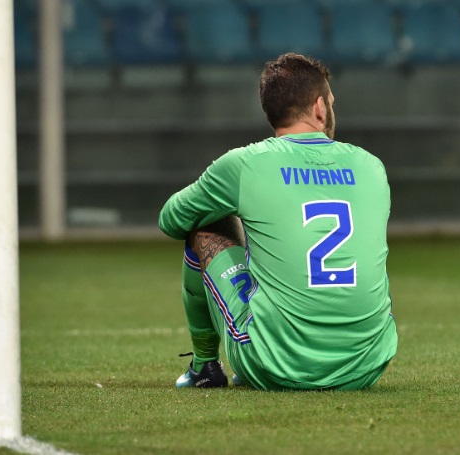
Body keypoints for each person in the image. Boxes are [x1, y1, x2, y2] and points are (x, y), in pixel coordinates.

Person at [158, 53, 397, 391]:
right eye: (331, 103)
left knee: (204, 222)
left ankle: (204, 366)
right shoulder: (371, 166)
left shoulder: (245, 164)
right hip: (367, 365)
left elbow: (171, 219)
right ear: (319, 107)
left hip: (274, 365)